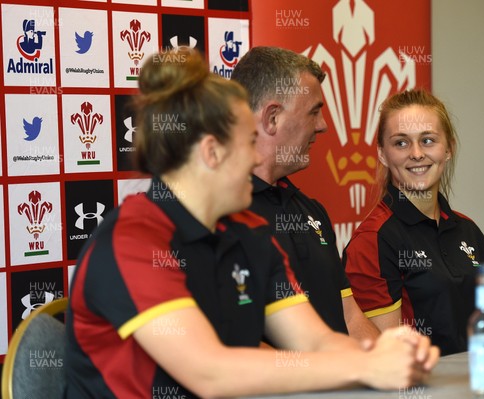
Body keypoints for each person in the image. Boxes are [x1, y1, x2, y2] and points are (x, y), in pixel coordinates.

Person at [65, 49, 439, 398]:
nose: (257, 158)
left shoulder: (248, 230)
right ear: (212, 152)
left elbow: (314, 341)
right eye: (248, 142)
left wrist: (387, 352)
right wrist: (365, 364)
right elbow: (209, 373)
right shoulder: (134, 239)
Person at [230, 46, 381, 342]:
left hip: (336, 382)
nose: (323, 125)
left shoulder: (312, 211)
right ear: (272, 118)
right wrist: (322, 376)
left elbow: (349, 316)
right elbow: (236, 344)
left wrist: (389, 364)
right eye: (314, 111)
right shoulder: (225, 213)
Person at [343, 89, 484, 356]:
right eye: (401, 143)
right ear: (382, 154)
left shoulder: (469, 230)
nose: (416, 154)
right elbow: (385, 356)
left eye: (428, 140)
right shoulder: (372, 240)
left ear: (449, 149)